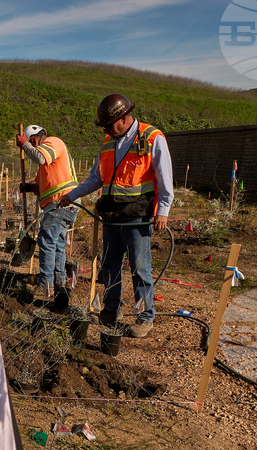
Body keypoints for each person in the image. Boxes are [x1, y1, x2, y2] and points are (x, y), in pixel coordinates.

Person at [58, 94, 173, 339]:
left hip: (137, 217)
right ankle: (111, 311)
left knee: (140, 269)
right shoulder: (108, 142)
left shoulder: (151, 137)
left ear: (122, 118)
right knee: (110, 267)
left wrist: (163, 210)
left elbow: (165, 177)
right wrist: (71, 195)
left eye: (108, 125)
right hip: (111, 216)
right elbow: (94, 179)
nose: (106, 130)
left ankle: (144, 317)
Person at [14, 125, 78, 298]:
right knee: (57, 243)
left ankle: (46, 284)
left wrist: (24, 145)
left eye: (33, 141)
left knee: (47, 240)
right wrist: (31, 187)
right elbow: (46, 186)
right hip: (62, 203)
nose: (33, 145)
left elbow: (40, 158)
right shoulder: (47, 165)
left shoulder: (53, 143)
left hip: (62, 202)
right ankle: (59, 283)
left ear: (41, 135)